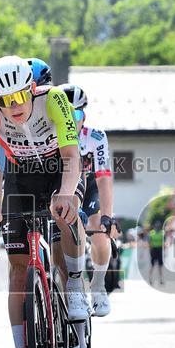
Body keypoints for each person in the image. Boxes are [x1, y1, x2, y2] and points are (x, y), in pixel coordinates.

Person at [0, 55, 86, 348]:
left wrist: (67, 193)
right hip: (20, 175)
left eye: (20, 97)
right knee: (18, 269)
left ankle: (75, 281)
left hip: (58, 168)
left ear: (31, 89)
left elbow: (72, 155)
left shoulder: (53, 99)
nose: (14, 107)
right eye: (5, 101)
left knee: (64, 215)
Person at [61, 83, 116, 319]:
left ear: (85, 115)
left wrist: (107, 216)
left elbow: (104, 179)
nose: (72, 120)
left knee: (99, 231)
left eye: (77, 114)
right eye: (67, 115)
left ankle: (98, 286)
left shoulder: (95, 137)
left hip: (90, 184)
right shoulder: (50, 137)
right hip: (63, 186)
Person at [147, 221, 165, 285]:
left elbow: (164, 242)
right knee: (152, 265)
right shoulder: (151, 233)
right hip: (154, 250)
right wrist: (150, 250)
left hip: (159, 250)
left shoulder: (162, 233)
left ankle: (161, 279)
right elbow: (149, 242)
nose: (158, 227)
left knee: (160, 266)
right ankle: (150, 278)